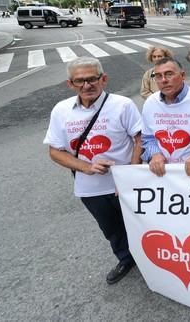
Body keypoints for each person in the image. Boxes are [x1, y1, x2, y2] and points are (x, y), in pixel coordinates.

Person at [44, 57, 142, 284]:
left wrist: (129, 176)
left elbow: (139, 139)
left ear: (103, 79)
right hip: (89, 189)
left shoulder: (122, 104)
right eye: (80, 81)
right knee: (112, 229)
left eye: (92, 79)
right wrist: (86, 167)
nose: (86, 85)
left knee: (142, 224)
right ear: (70, 84)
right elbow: (55, 151)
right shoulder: (61, 110)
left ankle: (152, 260)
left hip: (124, 185)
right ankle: (126, 259)